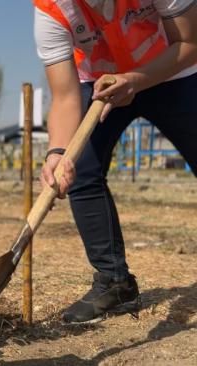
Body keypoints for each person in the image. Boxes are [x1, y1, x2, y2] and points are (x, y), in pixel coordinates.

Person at [34, 0, 197, 323]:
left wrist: (135, 80)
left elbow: (190, 43)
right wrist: (57, 152)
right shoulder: (50, 9)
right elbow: (65, 97)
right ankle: (114, 280)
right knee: (80, 169)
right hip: (100, 83)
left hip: (174, 69)